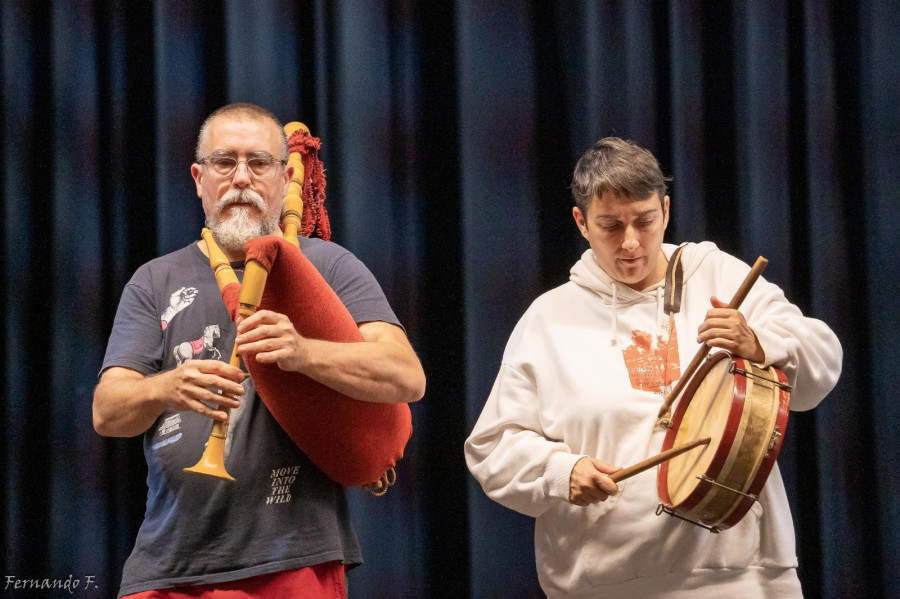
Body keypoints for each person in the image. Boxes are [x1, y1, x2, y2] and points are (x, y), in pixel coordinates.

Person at [464, 137, 842, 598]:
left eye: (645, 221)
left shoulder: (718, 275)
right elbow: (492, 448)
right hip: (603, 583)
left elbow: (824, 357)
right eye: (610, 226)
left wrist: (760, 343)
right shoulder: (549, 317)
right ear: (581, 222)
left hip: (740, 577)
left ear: (665, 209)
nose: (630, 243)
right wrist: (561, 471)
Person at [93, 103, 426, 598]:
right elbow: (107, 411)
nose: (242, 179)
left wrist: (303, 352)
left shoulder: (327, 265)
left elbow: (406, 376)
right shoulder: (154, 280)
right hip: (168, 564)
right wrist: (168, 386)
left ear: (285, 175)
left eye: (260, 163)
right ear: (199, 177)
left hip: (292, 560)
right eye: (225, 162)